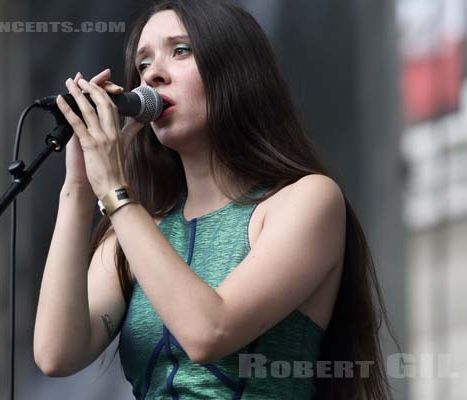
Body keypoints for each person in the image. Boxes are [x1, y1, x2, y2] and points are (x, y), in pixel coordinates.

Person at [33, 0, 401, 398]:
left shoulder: (306, 200)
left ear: (236, 70)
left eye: (180, 50)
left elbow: (209, 331)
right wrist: (80, 188)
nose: (153, 74)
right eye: (143, 64)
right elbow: (57, 353)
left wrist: (116, 193)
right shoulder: (134, 229)